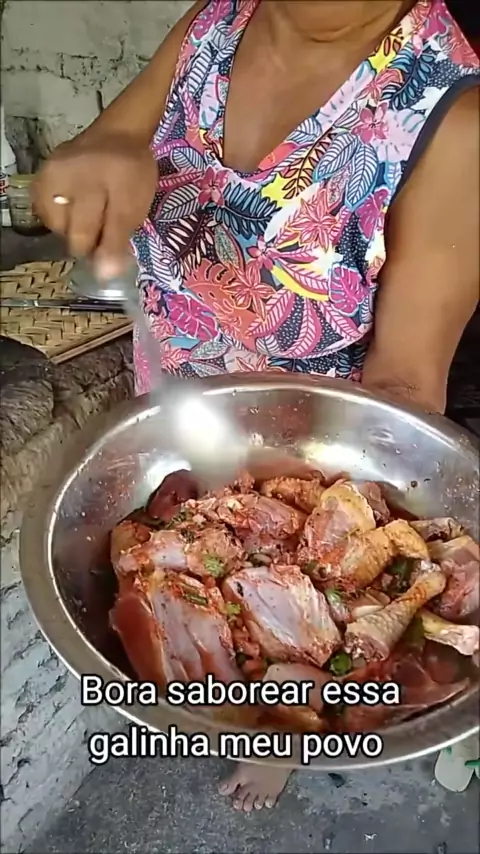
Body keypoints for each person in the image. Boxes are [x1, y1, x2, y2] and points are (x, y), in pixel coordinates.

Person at [32, 0, 479, 812]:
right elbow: (107, 147)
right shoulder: (218, 21)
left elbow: (405, 392)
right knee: (179, 586)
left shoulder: (452, 117)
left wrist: (298, 517)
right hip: (173, 385)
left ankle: (283, 725)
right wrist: (98, 160)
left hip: (314, 452)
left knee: (288, 647)